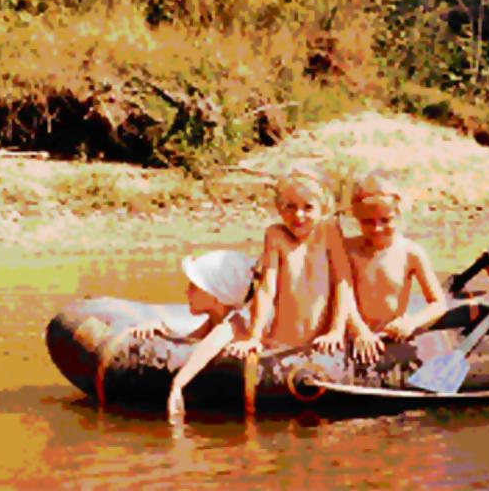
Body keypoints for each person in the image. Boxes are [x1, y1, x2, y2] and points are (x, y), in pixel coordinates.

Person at [228, 165, 355, 358]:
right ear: (280, 208)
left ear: (324, 208)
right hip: (282, 341)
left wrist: (336, 331)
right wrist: (255, 336)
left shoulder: (329, 231)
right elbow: (267, 289)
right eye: (290, 206)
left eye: (308, 207)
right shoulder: (276, 236)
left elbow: (343, 282)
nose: (299, 215)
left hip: (322, 342)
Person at [131, 250, 256, 419]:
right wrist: (162, 329)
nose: (187, 292)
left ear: (215, 296)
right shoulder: (215, 321)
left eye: (193, 287)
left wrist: (177, 385)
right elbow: (190, 341)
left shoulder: (232, 325)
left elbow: (207, 349)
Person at [343, 170, 447, 363]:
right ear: (356, 218)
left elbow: (438, 303)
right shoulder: (348, 250)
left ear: (398, 214)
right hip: (355, 335)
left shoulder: (411, 253)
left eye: (385, 220)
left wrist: (411, 323)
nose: (377, 228)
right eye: (368, 222)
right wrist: (360, 331)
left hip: (392, 336)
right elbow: (342, 295)